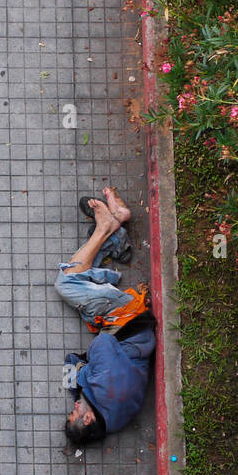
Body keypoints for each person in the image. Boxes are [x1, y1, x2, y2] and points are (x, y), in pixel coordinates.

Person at [55, 188, 156, 448]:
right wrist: (84, 374)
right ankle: (106, 228)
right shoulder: (104, 386)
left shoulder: (111, 420)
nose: (75, 405)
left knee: (83, 275)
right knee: (66, 284)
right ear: (87, 419)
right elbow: (102, 345)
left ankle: (115, 235)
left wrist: (80, 383)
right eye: (75, 411)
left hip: (128, 337)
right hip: (129, 321)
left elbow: (74, 366)